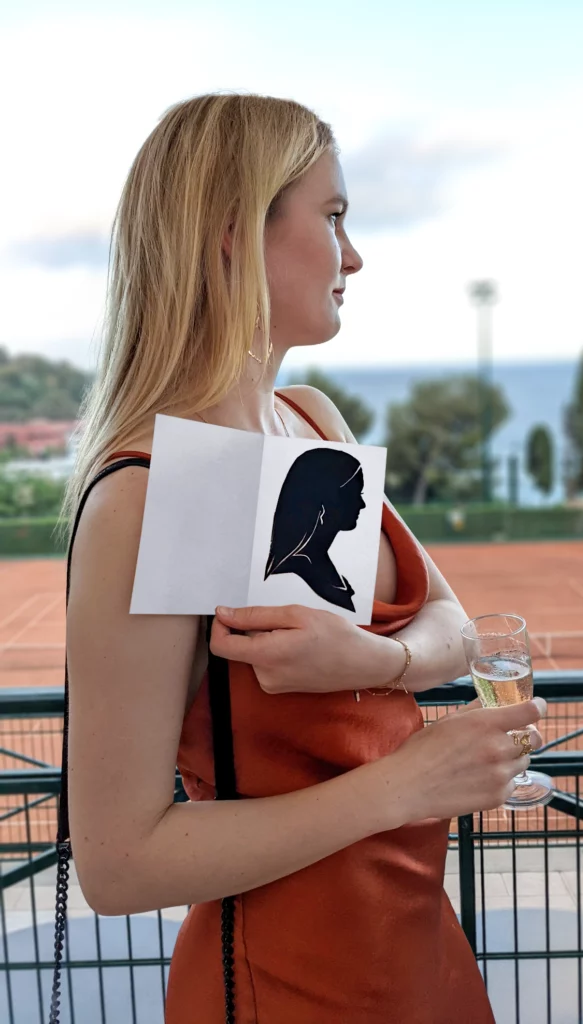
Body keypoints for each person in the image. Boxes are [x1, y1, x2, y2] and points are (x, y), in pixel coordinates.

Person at [62, 94, 546, 1024]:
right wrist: (402, 785)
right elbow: (117, 865)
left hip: (413, 944)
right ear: (232, 234)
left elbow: (450, 625)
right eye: (332, 218)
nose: (353, 256)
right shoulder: (145, 489)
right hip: (284, 984)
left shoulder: (311, 420)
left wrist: (377, 659)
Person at [265, 447, 366, 610]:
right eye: (355, 495)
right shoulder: (291, 578)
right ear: (325, 502)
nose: (362, 504)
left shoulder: (322, 567)